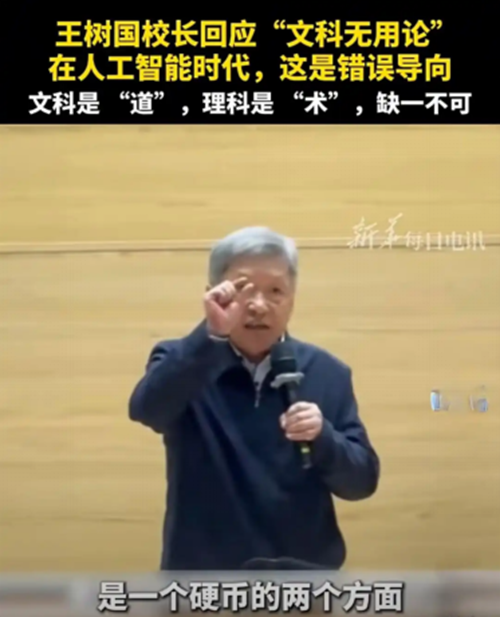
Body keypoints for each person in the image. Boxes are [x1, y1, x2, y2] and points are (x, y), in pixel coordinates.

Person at [128, 226, 380, 570]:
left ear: (292, 298)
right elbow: (147, 410)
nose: (259, 306)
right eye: (243, 289)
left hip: (303, 579)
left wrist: (324, 437)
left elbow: (361, 483)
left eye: (275, 291)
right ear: (214, 295)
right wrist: (209, 337)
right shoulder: (182, 360)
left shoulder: (326, 371)